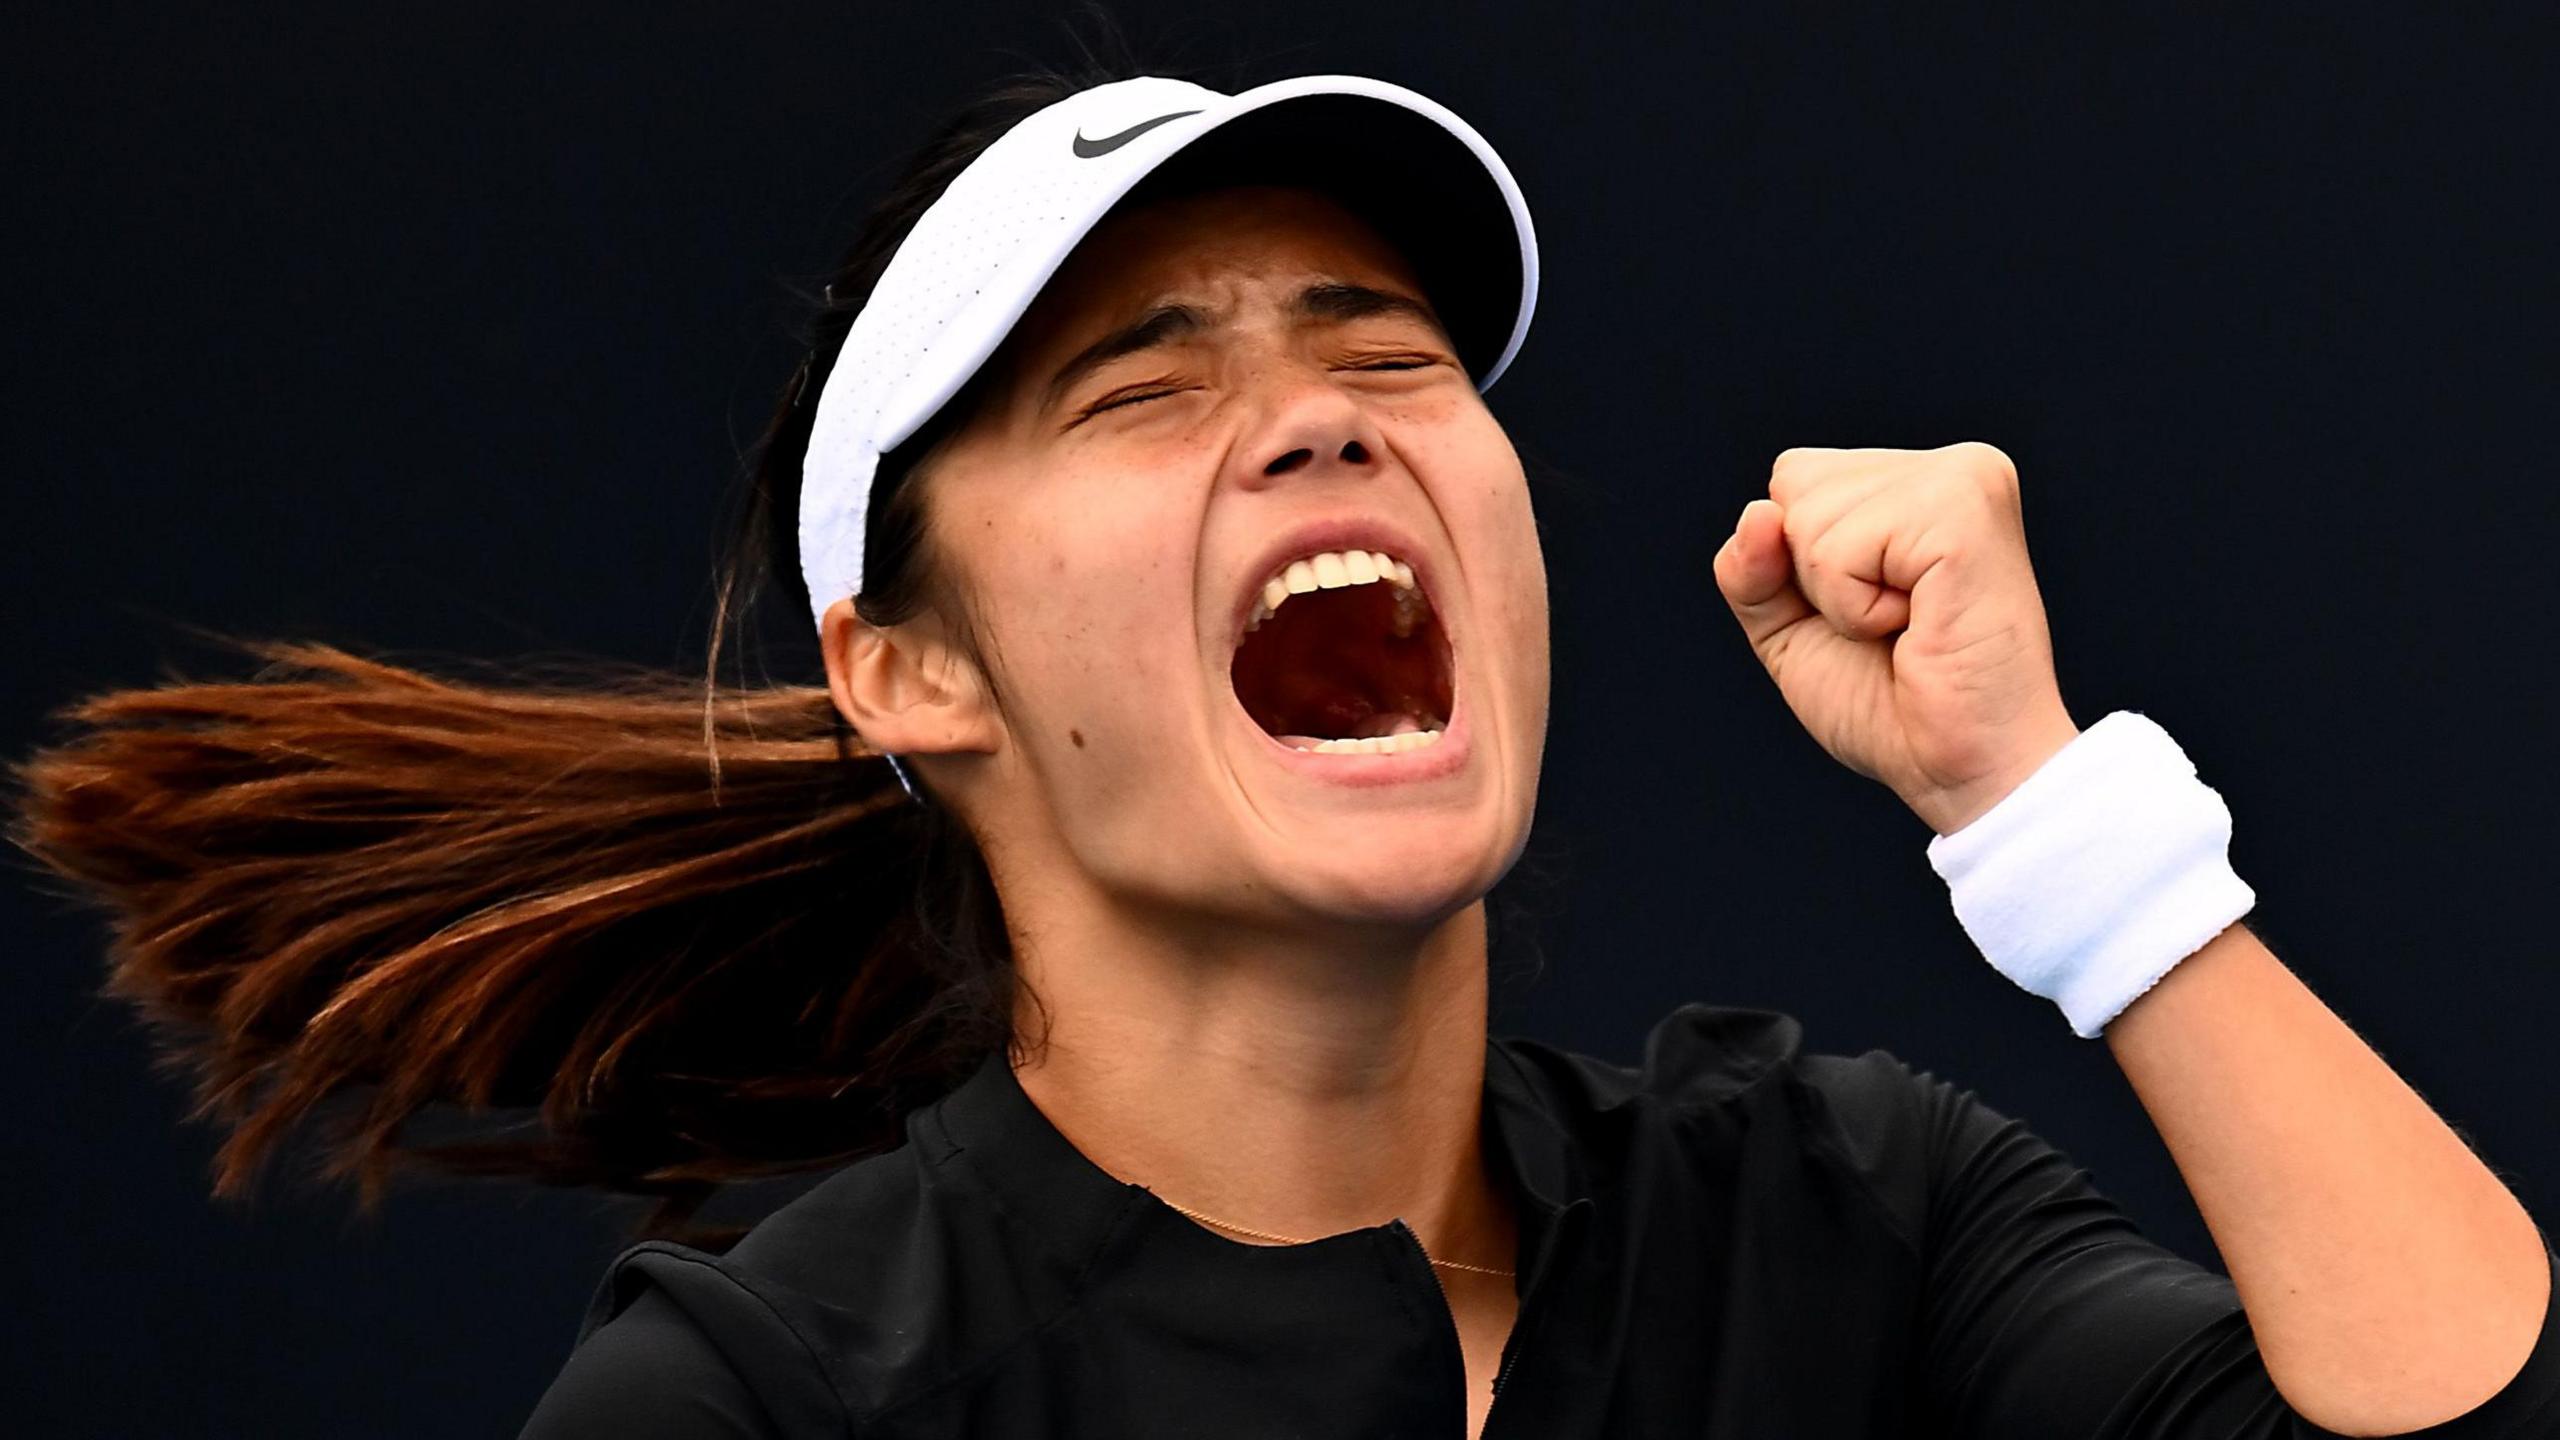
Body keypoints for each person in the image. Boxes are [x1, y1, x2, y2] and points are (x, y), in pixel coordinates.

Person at [13, 56, 2557, 1440]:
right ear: (909, 667)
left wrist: (2046, 821)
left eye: (1390, 358)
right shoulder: (771, 1403)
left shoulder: (1838, 1208)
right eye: (1143, 387)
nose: (1324, 425)